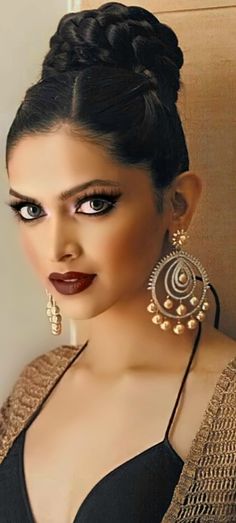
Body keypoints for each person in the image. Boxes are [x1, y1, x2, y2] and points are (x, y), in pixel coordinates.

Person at [0, 2, 235, 522]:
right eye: (31, 209)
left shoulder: (229, 413)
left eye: (93, 203)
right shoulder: (31, 390)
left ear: (178, 202)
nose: (57, 244)